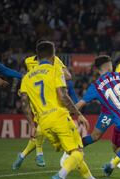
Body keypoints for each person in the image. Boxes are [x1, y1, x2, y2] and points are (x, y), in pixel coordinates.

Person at [19, 41, 108, 179]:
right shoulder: (55, 70)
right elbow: (63, 95)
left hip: (44, 123)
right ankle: (60, 176)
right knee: (78, 151)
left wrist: (32, 125)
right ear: (53, 56)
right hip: (59, 117)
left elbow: (24, 103)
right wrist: (78, 114)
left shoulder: (27, 77)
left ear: (37, 56)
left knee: (72, 152)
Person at [12, 40, 79, 170]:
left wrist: (55, 70)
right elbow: (28, 77)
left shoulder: (55, 60)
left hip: (49, 97)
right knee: (41, 128)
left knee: (40, 128)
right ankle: (39, 154)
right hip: (36, 99)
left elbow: (68, 76)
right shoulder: (28, 61)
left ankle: (28, 154)